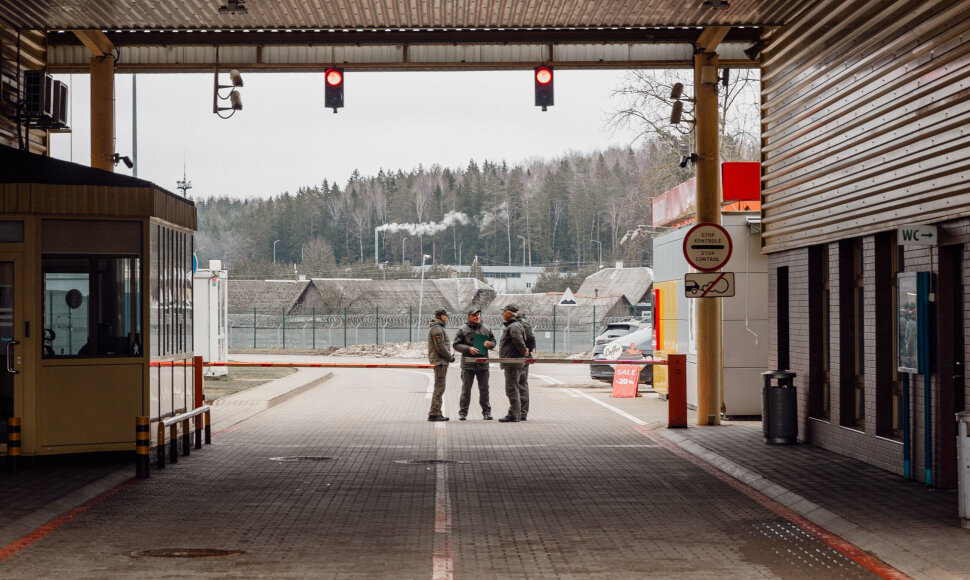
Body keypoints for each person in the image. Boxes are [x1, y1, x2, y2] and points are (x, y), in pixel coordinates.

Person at [452, 307, 496, 420]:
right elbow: (456, 345)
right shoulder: (462, 329)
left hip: (483, 364)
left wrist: (489, 344)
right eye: (474, 315)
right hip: (468, 365)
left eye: (478, 315)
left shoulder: (486, 328)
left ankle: (487, 413)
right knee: (466, 390)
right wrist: (468, 349)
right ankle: (463, 412)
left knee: (484, 390)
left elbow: (494, 341)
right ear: (469, 317)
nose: (477, 317)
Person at [498, 304, 528, 423]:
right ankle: (514, 412)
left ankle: (514, 414)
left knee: (511, 389)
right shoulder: (513, 325)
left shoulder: (514, 326)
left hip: (512, 362)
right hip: (513, 361)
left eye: (504, 312)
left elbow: (518, 342)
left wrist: (522, 352)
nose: (502, 314)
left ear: (510, 313)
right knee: (514, 388)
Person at [426, 308, 455, 422]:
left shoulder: (438, 328)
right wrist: (450, 357)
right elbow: (440, 347)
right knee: (440, 386)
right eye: (446, 316)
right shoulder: (437, 329)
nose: (447, 318)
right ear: (442, 316)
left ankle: (436, 411)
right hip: (440, 361)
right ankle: (434, 412)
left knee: (440, 385)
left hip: (440, 361)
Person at [517, 309, 537, 421]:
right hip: (516, 357)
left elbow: (531, 338)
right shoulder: (518, 323)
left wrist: (528, 350)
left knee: (521, 384)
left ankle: (522, 413)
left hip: (522, 357)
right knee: (518, 384)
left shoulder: (523, 324)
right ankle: (518, 411)